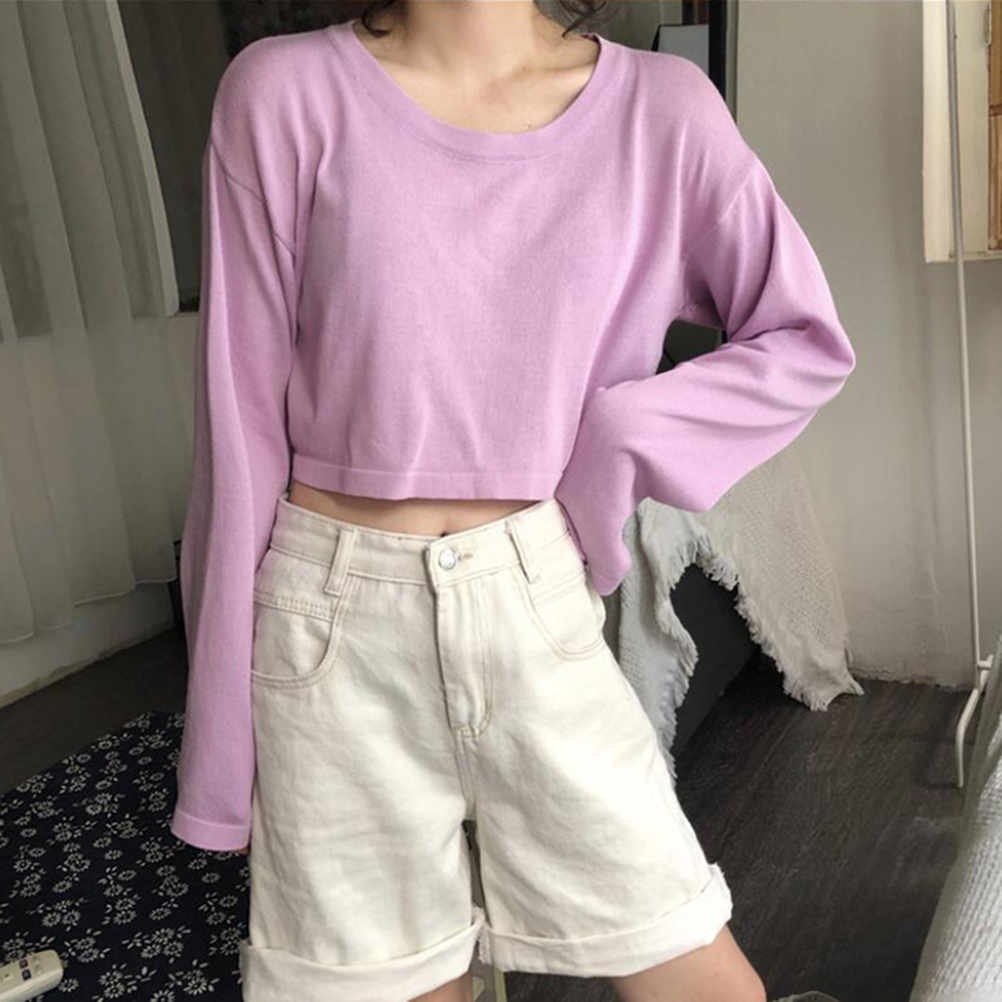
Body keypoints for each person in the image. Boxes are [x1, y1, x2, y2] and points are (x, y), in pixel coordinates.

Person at [171, 2, 857, 1001]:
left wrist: (619, 442)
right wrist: (220, 753)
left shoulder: (662, 111)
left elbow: (803, 340)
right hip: (329, 630)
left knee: (696, 969)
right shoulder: (282, 95)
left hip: (532, 602)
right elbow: (236, 436)